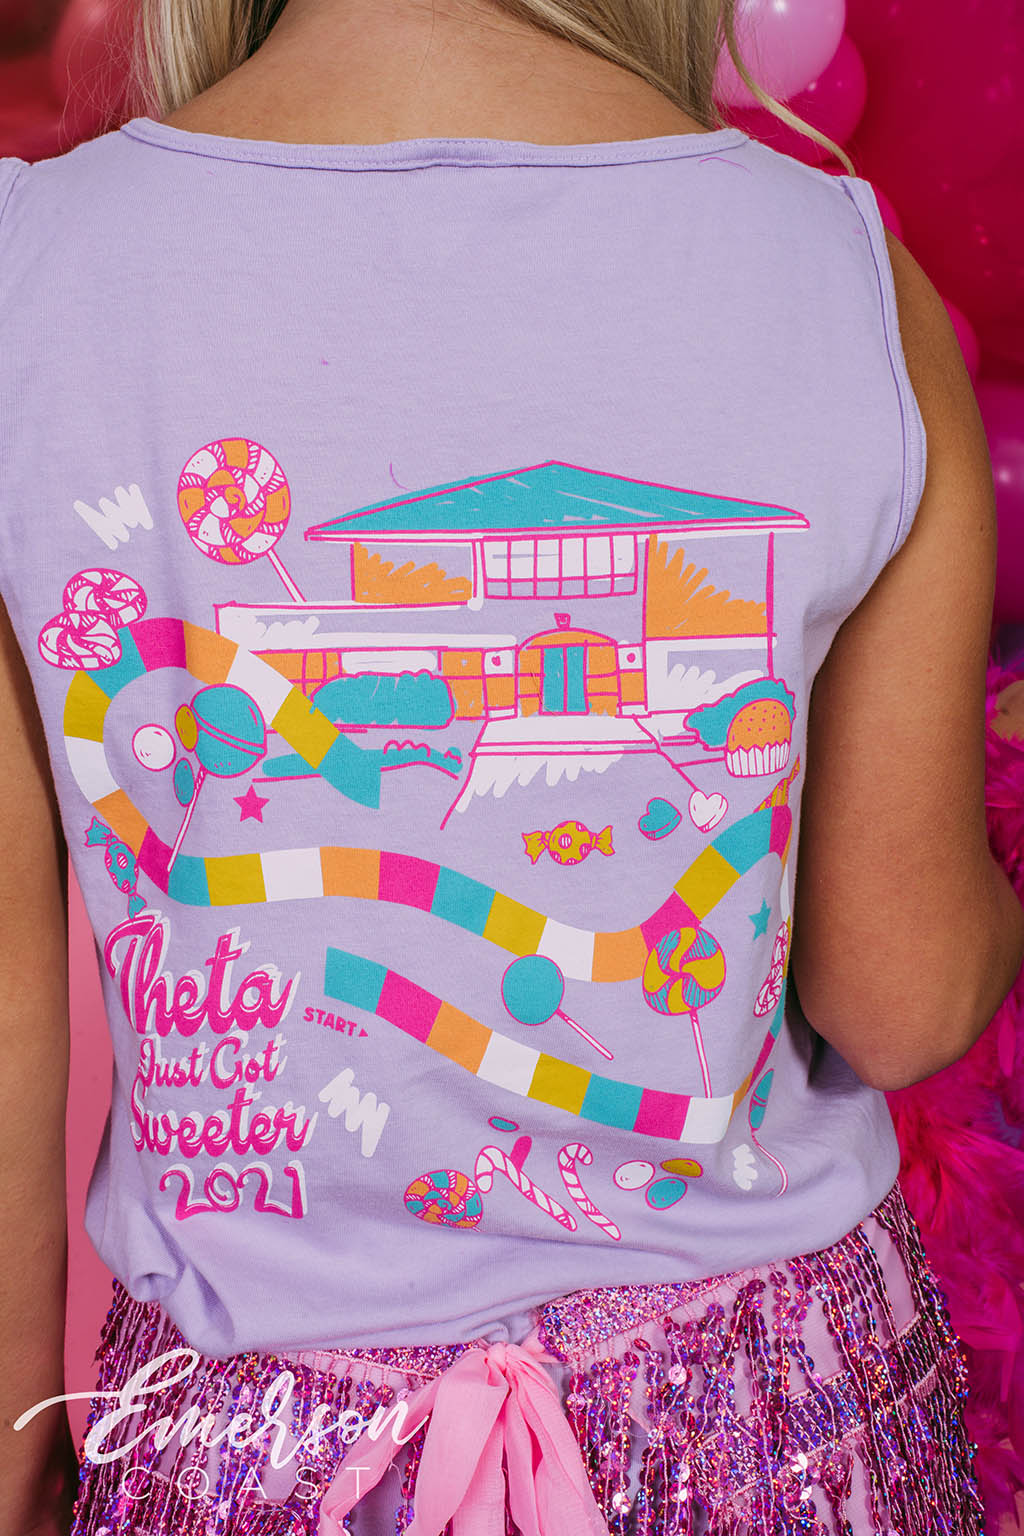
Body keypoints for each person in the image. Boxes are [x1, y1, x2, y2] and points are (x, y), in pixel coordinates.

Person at [2, 0, 1022, 1532]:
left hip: (245, 1449)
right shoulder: (845, 274)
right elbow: (903, 998)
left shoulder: (29, 271)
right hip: (771, 1422)